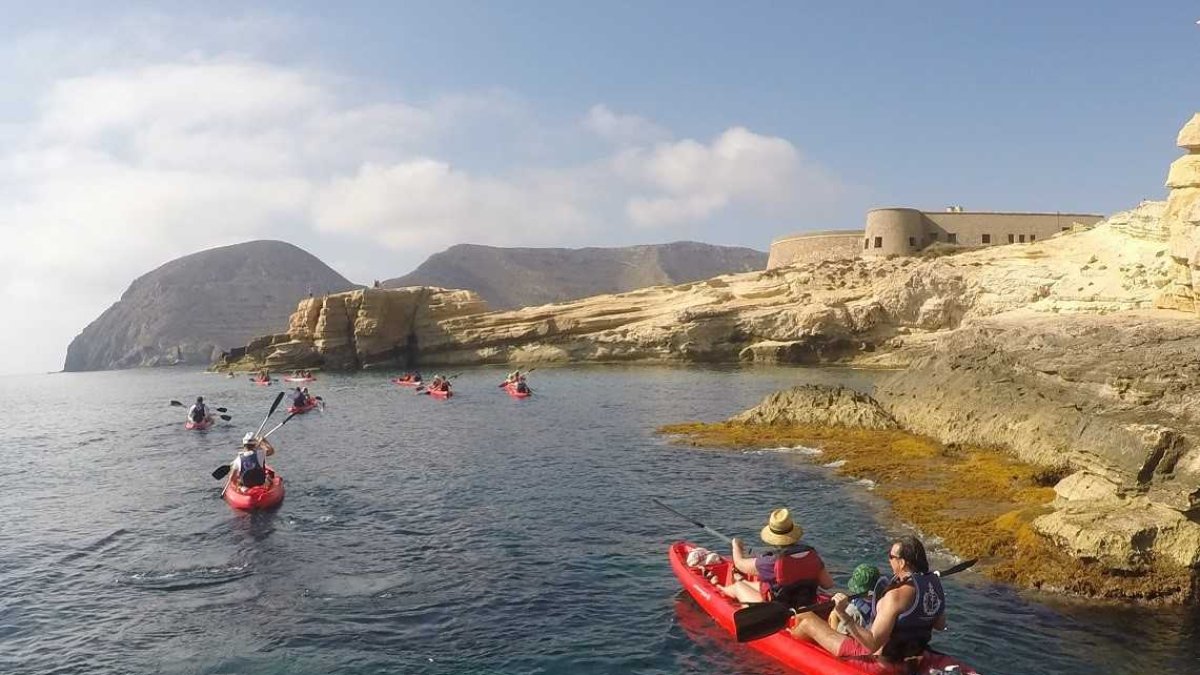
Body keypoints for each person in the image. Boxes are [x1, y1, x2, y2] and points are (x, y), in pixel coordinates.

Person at [790, 536, 947, 672]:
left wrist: (843, 614)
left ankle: (788, 639)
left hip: (880, 663)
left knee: (806, 617)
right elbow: (940, 624)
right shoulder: (934, 587)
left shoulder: (895, 596)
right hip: (913, 658)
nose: (889, 560)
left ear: (902, 562)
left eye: (891, 556)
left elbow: (872, 644)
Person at [720, 508, 834, 607]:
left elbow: (740, 564)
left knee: (738, 586)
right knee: (751, 584)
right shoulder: (812, 556)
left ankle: (720, 589)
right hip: (807, 602)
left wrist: (736, 546)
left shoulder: (769, 562)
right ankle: (740, 581)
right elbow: (828, 584)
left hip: (777, 609)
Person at [828, 564, 881, 635]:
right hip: (871, 627)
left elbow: (839, 638)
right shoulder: (884, 600)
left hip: (853, 635)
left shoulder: (853, 612)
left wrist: (836, 612)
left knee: (833, 614)